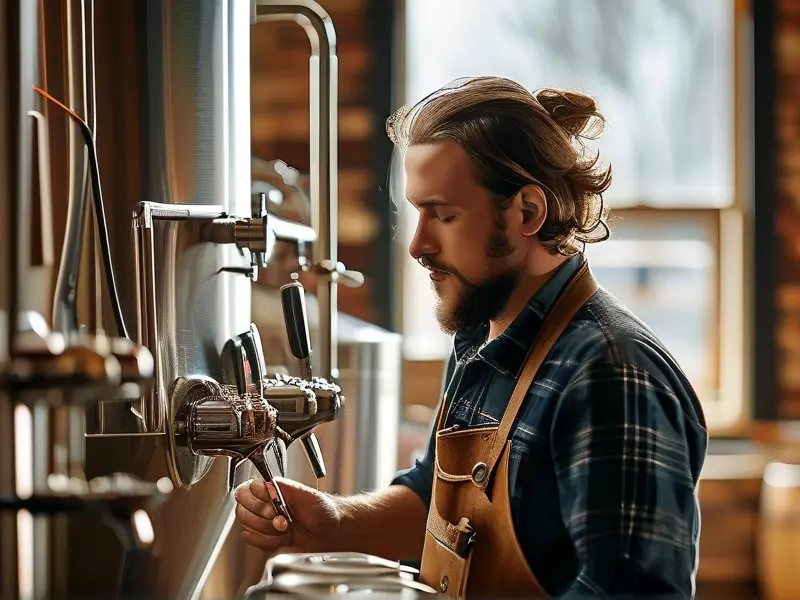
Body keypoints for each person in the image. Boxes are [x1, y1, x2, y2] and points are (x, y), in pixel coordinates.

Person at [234, 76, 708, 599]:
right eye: (416, 213)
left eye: (444, 215)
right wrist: (336, 522)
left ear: (528, 212)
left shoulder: (611, 374)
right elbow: (435, 501)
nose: (418, 244)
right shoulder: (479, 334)